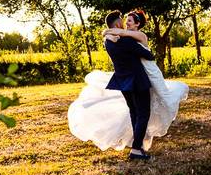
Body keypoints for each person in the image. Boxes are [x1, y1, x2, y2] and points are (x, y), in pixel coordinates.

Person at [67, 9, 189, 160]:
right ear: (117, 23)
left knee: (134, 112)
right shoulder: (126, 41)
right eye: (122, 20)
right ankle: (137, 149)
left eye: (128, 21)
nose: (124, 23)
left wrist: (107, 33)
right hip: (137, 80)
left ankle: (136, 144)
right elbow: (148, 55)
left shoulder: (109, 41)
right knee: (143, 114)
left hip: (122, 81)